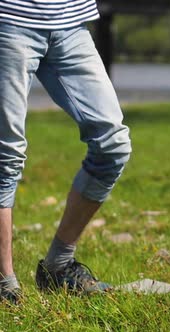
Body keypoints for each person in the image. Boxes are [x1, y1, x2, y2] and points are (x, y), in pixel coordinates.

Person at [0, 0, 132, 304]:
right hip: (8, 19)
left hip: (70, 22)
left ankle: (58, 267)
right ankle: (4, 284)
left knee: (112, 145)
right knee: (5, 156)